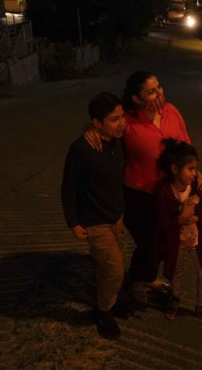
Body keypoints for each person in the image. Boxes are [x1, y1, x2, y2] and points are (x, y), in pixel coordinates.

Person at [85, 71, 202, 306]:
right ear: (137, 99)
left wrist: (194, 170)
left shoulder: (171, 111)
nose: (159, 93)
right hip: (139, 194)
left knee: (165, 240)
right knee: (149, 241)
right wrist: (89, 130)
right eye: (151, 91)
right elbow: (104, 129)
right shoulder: (127, 122)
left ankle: (146, 277)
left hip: (170, 193)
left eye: (158, 87)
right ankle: (138, 281)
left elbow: (185, 146)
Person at [61, 92, 128, 339]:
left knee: (104, 268)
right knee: (115, 271)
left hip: (116, 217)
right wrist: (73, 222)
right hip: (95, 221)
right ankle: (103, 311)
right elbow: (68, 186)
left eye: (122, 117)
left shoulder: (117, 140)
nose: (121, 124)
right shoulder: (81, 148)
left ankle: (108, 301)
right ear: (97, 123)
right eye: (114, 119)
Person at [156, 138, 202, 325]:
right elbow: (163, 224)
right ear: (174, 169)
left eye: (195, 168)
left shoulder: (196, 185)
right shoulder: (164, 191)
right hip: (176, 242)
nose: (194, 173)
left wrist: (197, 217)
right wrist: (180, 218)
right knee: (176, 272)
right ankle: (176, 299)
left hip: (196, 239)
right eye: (190, 169)